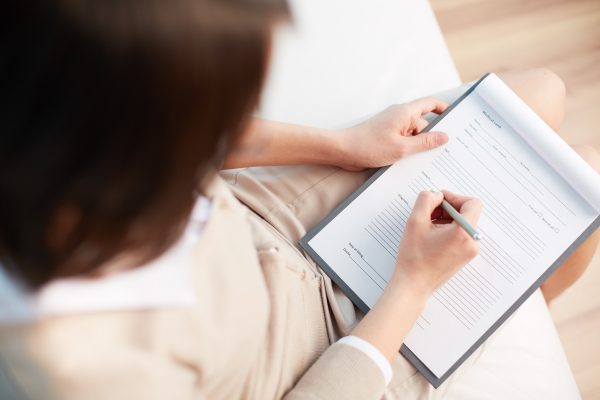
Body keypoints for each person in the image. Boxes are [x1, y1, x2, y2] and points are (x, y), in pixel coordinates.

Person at [0, 0, 598, 399]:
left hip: (266, 218)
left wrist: (344, 146)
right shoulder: (85, 367)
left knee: (539, 95)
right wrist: (413, 286)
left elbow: (202, 135)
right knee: (571, 221)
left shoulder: (53, 106)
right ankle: (495, 309)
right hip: (309, 357)